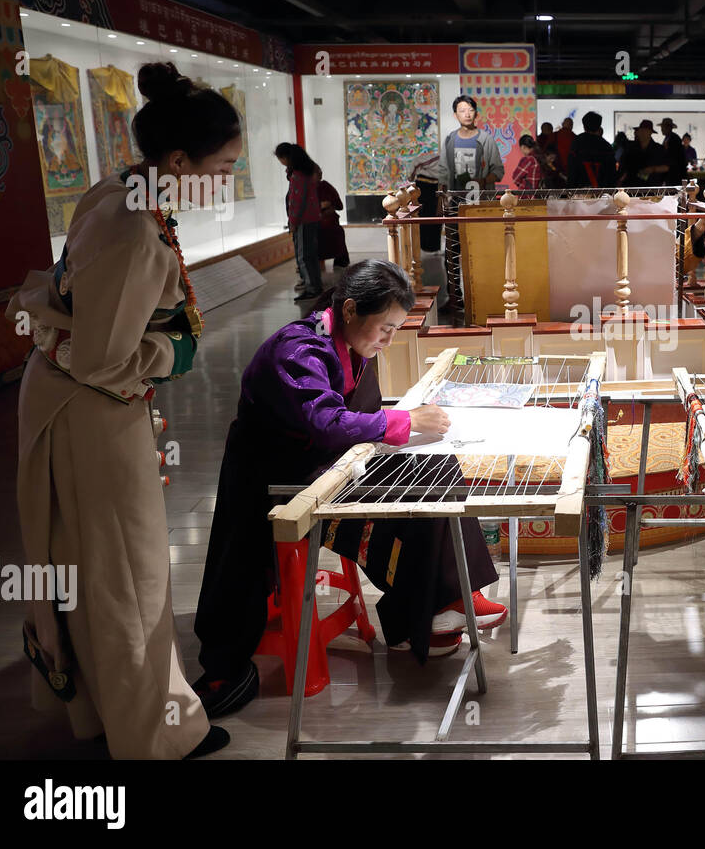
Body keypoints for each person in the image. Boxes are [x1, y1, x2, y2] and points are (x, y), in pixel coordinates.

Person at [5, 61, 239, 759]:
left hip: (66, 399)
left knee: (85, 564)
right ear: (177, 161)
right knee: (128, 573)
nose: (227, 179)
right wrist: (173, 354)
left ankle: (102, 713)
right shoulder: (137, 231)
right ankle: (155, 732)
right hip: (92, 410)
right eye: (222, 166)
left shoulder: (114, 191)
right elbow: (107, 358)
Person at [193, 260, 507, 716]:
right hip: (278, 480)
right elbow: (325, 422)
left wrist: (401, 428)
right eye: (385, 328)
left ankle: (447, 598)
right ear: (351, 310)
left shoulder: (353, 347)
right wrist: (403, 422)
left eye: (397, 329)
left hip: (332, 465)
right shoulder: (297, 349)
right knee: (410, 495)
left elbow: (356, 423)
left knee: (438, 471)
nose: (389, 340)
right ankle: (427, 610)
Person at [441, 95, 503, 319]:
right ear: (455, 114)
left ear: (476, 113)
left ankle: (483, 297)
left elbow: (498, 170)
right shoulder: (449, 140)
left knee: (480, 252)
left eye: (470, 110)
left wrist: (483, 181)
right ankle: (454, 298)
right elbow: (443, 172)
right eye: (461, 110)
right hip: (454, 205)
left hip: (479, 205)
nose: (466, 113)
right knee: (451, 252)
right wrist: (443, 199)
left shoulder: (485, 139)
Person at [277, 142, 323, 303]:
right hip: (310, 218)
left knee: (304, 256)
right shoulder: (308, 172)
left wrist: (294, 221)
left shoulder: (298, 175)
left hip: (304, 220)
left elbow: (297, 201)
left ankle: (312, 288)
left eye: (281, 159)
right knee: (310, 255)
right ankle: (314, 285)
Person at [567, 111, 617, 188]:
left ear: (584, 126)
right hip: (602, 191)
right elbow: (611, 172)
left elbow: (572, 169)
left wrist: (571, 188)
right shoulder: (606, 146)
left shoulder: (576, 143)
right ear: (599, 126)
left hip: (580, 190)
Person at [619, 119, 668, 187]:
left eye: (645, 131)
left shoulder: (659, 149)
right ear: (638, 132)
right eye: (641, 130)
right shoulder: (630, 148)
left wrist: (653, 169)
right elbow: (623, 166)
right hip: (632, 187)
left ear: (650, 132)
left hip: (652, 187)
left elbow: (667, 167)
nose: (643, 133)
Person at [317, 177, 350, 270]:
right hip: (315, 224)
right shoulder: (306, 188)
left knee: (338, 233)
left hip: (331, 223)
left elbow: (339, 205)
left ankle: (340, 262)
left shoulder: (325, 186)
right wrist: (320, 206)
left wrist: (329, 204)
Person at [659, 117, 688, 185]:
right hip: (671, 173)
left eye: (663, 127)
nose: (661, 129)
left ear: (669, 128)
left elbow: (673, 157)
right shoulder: (668, 138)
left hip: (675, 173)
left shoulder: (674, 139)